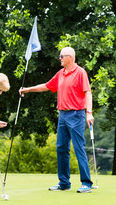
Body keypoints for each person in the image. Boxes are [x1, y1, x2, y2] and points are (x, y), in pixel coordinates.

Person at [20, 46, 94, 193]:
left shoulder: (80, 73)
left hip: (76, 114)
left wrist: (89, 113)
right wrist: (27, 89)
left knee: (78, 147)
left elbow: (88, 93)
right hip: (63, 115)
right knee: (61, 148)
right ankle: (64, 182)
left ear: (70, 58)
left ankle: (86, 183)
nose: (59, 58)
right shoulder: (61, 73)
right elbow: (47, 86)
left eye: (62, 56)